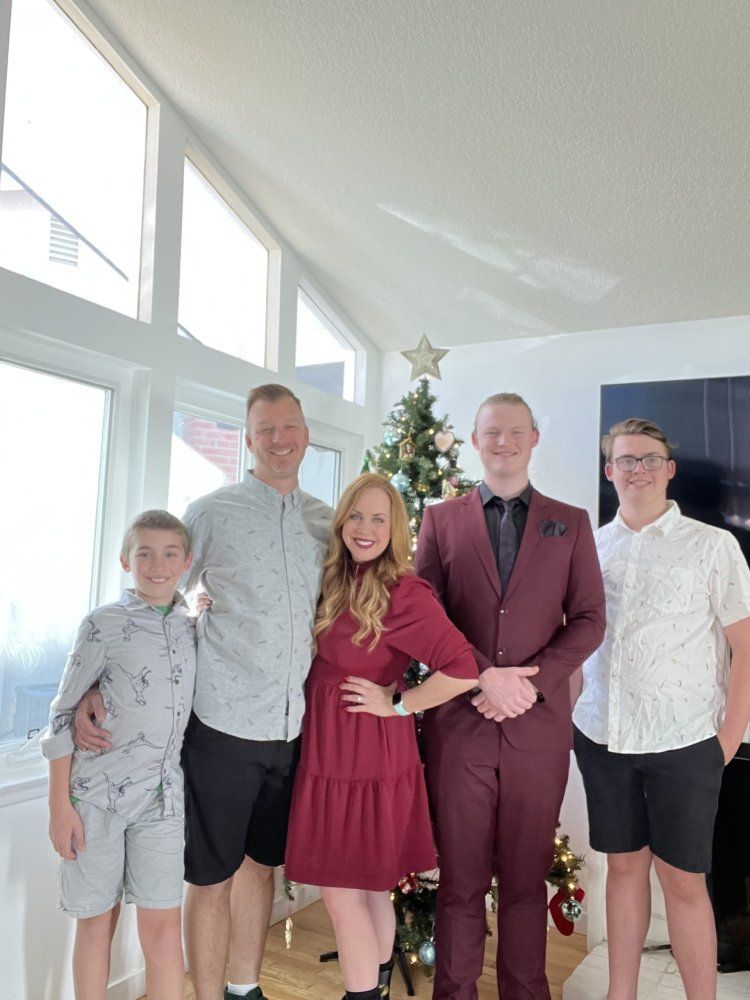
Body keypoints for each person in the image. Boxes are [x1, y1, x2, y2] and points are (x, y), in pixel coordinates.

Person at [74, 384, 332, 1000]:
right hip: (220, 724)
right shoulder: (212, 511)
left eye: (289, 426)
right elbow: (155, 588)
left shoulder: (326, 520)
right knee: (211, 873)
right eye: (265, 428)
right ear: (248, 439)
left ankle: (247, 989)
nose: (279, 439)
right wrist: (92, 679)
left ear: (305, 433)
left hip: (293, 728)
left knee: (261, 868)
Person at [414, 392, 606, 1000]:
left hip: (538, 731)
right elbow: (424, 616)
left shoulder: (569, 522)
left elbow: (590, 619)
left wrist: (532, 681)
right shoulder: (440, 520)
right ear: (475, 440)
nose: (504, 441)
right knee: (461, 884)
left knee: (525, 884)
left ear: (533, 438)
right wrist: (482, 675)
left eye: (515, 431)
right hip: (458, 728)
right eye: (492, 432)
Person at [573, 417, 750, 1000]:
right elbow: (575, 644)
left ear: (669, 469)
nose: (638, 469)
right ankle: (618, 994)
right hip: (602, 737)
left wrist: (729, 735)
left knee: (683, 880)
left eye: (649, 459)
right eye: (626, 460)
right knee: (623, 871)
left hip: (685, 742)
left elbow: (743, 645)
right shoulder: (588, 549)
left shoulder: (712, 546)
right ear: (610, 471)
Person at [285, 473, 478, 1000]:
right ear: (341, 520)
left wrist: (398, 703)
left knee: (340, 892)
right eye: (356, 515)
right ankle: (378, 989)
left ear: (396, 529)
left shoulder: (404, 591)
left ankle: (361, 994)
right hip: (330, 751)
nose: (365, 528)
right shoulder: (333, 577)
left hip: (365, 754)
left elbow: (462, 669)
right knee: (369, 890)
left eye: (379, 518)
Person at [42, 509, 196, 1000]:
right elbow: (63, 714)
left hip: (163, 803)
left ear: (187, 561)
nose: (158, 564)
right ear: (125, 561)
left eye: (170, 553)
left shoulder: (196, 625)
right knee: (96, 924)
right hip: (95, 802)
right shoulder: (102, 624)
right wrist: (57, 807)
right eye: (145, 553)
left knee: (165, 932)